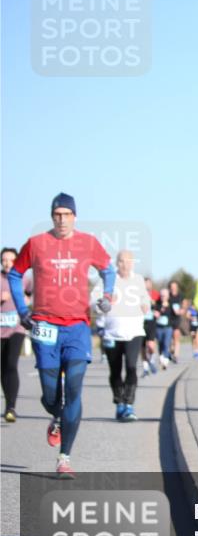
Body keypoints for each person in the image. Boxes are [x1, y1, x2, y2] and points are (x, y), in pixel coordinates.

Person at [7, 193, 116, 478]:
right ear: (52, 216)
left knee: (75, 389)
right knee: (51, 394)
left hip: (77, 326)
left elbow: (108, 269)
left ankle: (64, 457)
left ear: (75, 217)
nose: (62, 219)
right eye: (57, 214)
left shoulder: (88, 243)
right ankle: (56, 415)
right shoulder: (36, 244)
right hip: (44, 325)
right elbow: (16, 275)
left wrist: (107, 295)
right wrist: (22, 309)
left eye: (67, 214)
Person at [94, 251, 150, 422]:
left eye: (128, 261)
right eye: (121, 261)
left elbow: (145, 299)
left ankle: (129, 405)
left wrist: (145, 305)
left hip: (134, 332)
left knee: (132, 367)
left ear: (133, 263)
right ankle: (119, 403)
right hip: (112, 333)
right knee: (115, 371)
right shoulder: (108, 279)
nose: (125, 264)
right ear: (116, 263)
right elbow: (94, 302)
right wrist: (105, 302)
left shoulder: (138, 279)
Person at [2, 247, 29, 422]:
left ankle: (10, 406)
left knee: (11, 364)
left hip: (16, 329)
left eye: (11, 260)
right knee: (2, 368)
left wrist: (29, 299)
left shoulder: (24, 279)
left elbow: (35, 293)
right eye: (4, 259)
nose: (7, 263)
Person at [141, 277, 159, 376]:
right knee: (142, 347)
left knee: (151, 345)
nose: (147, 285)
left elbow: (161, 306)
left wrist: (158, 311)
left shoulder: (156, 295)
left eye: (148, 283)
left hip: (151, 322)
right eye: (145, 283)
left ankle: (151, 360)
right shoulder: (138, 295)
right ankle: (145, 368)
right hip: (140, 322)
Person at [154, 287, 173, 368]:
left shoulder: (171, 304)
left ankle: (165, 359)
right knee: (160, 343)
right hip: (158, 327)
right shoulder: (157, 304)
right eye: (161, 296)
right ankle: (162, 356)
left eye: (164, 296)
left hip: (168, 327)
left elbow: (175, 315)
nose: (163, 297)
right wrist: (159, 311)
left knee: (166, 343)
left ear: (168, 296)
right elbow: (155, 314)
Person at [167, 280, 184, 362]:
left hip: (176, 318)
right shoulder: (167, 295)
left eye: (174, 287)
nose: (173, 288)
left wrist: (181, 311)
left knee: (176, 336)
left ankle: (176, 355)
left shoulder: (180, 296)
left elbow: (184, 306)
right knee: (169, 337)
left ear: (177, 287)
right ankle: (171, 350)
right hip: (168, 318)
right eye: (171, 287)